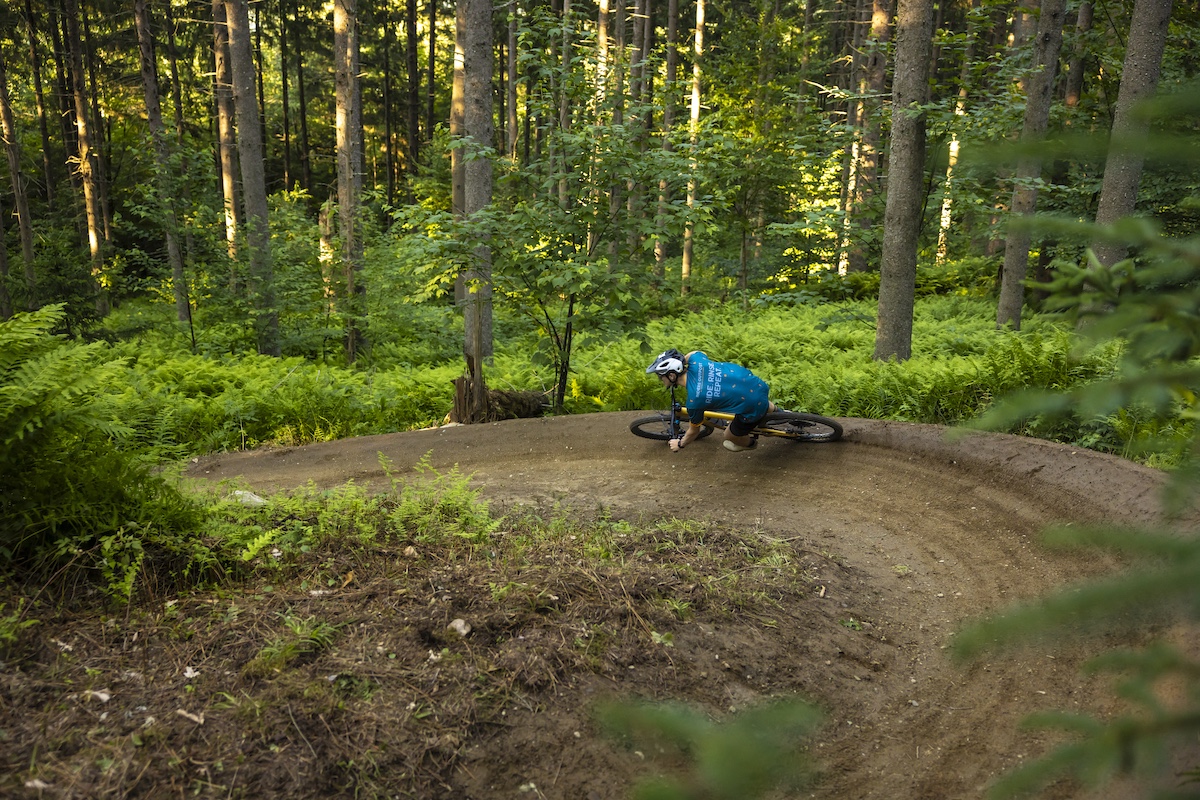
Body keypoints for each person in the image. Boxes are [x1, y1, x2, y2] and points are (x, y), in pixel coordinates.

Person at [645, 349, 779, 453]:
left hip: (751, 404)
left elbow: (694, 431)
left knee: (729, 435)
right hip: (756, 385)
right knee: (757, 400)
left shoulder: (694, 401)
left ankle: (750, 444)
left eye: (660, 376)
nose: (660, 379)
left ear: (672, 375)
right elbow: (696, 353)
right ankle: (780, 413)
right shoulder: (697, 361)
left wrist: (679, 444)